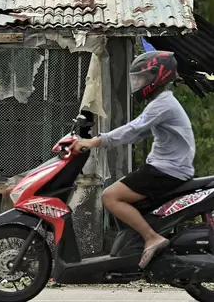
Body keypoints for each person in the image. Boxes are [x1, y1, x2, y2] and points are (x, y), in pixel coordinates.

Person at [71, 50, 195, 269]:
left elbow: (132, 129)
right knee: (120, 195)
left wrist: (94, 142)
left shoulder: (163, 104)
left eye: (143, 77)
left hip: (167, 170)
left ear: (159, 76)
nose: (138, 83)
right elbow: (138, 134)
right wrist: (101, 142)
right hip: (166, 167)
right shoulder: (162, 102)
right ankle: (134, 246)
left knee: (110, 197)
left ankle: (151, 238)